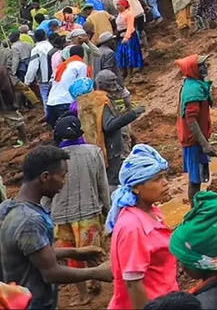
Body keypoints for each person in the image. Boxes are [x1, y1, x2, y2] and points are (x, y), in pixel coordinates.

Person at [0, 145, 111, 310]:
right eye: (62, 176)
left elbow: (32, 254)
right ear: (45, 177)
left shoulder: (12, 208)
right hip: (33, 304)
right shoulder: (30, 221)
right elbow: (51, 273)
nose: (64, 182)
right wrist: (97, 272)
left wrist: (75, 252)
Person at [106, 144, 178, 309]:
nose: (165, 183)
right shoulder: (132, 227)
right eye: (157, 179)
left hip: (164, 300)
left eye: (165, 177)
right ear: (137, 186)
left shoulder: (154, 212)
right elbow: (133, 284)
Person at [48, 115, 109, 304]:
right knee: (91, 251)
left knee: (72, 257)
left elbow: (45, 192)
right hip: (89, 210)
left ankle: (83, 295)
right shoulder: (94, 152)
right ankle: (95, 280)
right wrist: (107, 207)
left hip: (60, 214)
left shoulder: (52, 158)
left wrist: (45, 212)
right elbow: (102, 184)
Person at [175, 55, 216, 203]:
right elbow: (191, 120)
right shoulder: (193, 90)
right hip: (194, 141)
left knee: (197, 176)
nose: (205, 68)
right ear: (192, 69)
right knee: (195, 179)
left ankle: (195, 208)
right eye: (200, 66)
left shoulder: (194, 84)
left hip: (195, 139)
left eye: (204, 65)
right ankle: (194, 210)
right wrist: (205, 144)